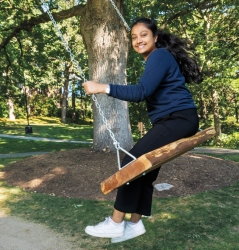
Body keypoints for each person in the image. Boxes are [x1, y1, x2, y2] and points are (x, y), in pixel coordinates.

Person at [82, 17, 203, 243]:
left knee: (131, 163)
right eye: (134, 37)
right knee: (146, 171)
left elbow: (141, 92)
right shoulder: (157, 59)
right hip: (179, 119)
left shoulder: (159, 55)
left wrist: (101, 88)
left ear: (155, 38)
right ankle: (135, 223)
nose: (138, 40)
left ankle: (116, 223)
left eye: (143, 35)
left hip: (178, 118)